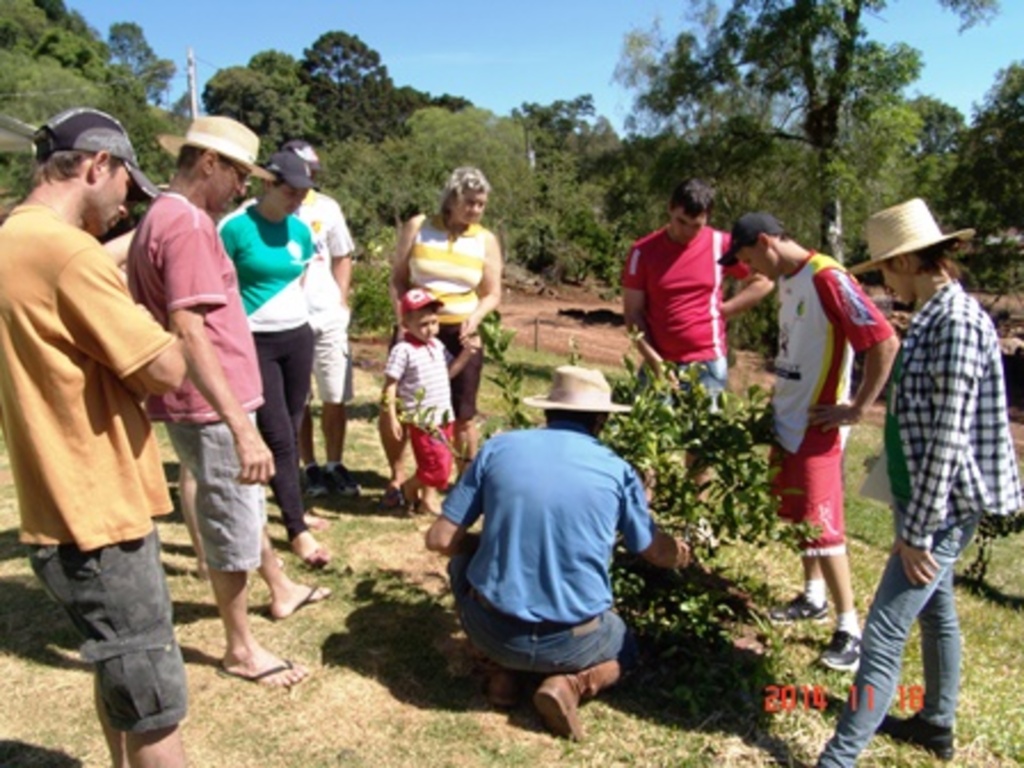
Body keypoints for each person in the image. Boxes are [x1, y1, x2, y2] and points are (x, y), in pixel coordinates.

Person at [0, 107, 188, 766]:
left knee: (121, 678)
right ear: (95, 165)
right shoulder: (67, 252)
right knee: (156, 701)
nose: (125, 206)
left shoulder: (11, 239)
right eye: (125, 189)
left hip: (56, 506)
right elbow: (165, 369)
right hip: (99, 511)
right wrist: (149, 317)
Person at [817, 199, 1023, 766]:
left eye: (884, 269)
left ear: (907, 261)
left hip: (943, 505)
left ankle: (839, 757)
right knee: (937, 609)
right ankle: (936, 724)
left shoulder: (955, 323)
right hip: (924, 498)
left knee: (883, 631)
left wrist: (921, 534)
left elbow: (949, 439)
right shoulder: (933, 316)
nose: (884, 282)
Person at [128, 116, 329, 689]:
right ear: (209, 164)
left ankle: (281, 588)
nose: (243, 187)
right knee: (229, 523)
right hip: (212, 405)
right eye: (239, 174)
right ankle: (240, 647)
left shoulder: (162, 217)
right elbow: (189, 329)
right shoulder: (189, 225)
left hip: (208, 401)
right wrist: (242, 427)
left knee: (237, 507)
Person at [425, 365, 692, 741]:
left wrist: (488, 543)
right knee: (626, 646)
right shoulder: (617, 470)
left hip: (492, 629)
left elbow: (439, 540)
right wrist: (680, 552)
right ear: (601, 419)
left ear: (547, 410)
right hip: (573, 641)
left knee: (461, 566)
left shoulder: (499, 448)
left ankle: (499, 672)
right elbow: (654, 552)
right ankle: (573, 683)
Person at [719, 212, 898, 671]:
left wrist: (856, 407)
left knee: (823, 524)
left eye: (748, 258)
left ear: (765, 242)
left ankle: (849, 629)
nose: (751, 270)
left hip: (820, 426)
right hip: (789, 420)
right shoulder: (790, 279)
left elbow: (882, 340)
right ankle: (813, 596)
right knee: (800, 514)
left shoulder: (828, 277)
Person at [218, 149, 328, 567]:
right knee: (278, 433)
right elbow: (220, 285)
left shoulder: (300, 231)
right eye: (290, 190)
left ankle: (292, 506)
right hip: (254, 341)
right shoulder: (235, 228)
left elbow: (297, 279)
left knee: (294, 423)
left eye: (304, 192)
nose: (297, 198)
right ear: (268, 182)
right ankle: (295, 530)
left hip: (296, 336)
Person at [386, 167, 503, 505]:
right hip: (417, 327)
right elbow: (398, 279)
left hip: (461, 333)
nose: (476, 211)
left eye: (481, 204)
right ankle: (401, 480)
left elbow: (492, 293)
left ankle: (464, 487)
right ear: (452, 199)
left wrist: (475, 319)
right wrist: (404, 322)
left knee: (463, 411)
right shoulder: (419, 227)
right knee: (409, 407)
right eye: (470, 203)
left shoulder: (485, 240)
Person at [622, 179, 773, 393]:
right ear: (670, 209)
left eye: (696, 226)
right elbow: (633, 314)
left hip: (707, 364)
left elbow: (764, 281)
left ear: (707, 218)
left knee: (703, 426)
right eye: (681, 221)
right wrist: (656, 362)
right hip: (659, 361)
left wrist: (726, 310)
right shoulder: (642, 252)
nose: (687, 232)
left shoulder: (720, 245)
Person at [280, 139, 361, 498]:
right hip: (288, 316)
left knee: (334, 395)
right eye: (304, 170)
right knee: (298, 399)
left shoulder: (327, 208)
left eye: (313, 171)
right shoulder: (266, 208)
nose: (310, 177)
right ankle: (309, 467)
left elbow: (342, 255)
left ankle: (334, 464)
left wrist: (341, 300)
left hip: (327, 315)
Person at [381, 289, 481, 514]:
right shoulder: (403, 350)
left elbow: (447, 373)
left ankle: (423, 499)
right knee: (436, 468)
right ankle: (409, 487)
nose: (431, 329)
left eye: (434, 323)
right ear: (406, 324)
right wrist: (392, 417)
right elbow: (390, 385)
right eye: (423, 324)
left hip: (443, 415)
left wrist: (466, 355)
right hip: (422, 419)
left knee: (441, 462)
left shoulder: (436, 346)